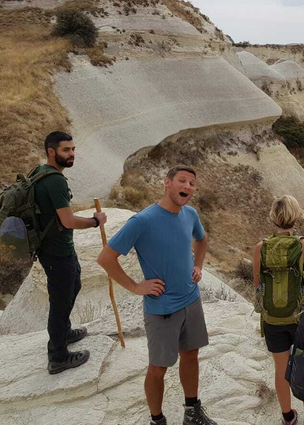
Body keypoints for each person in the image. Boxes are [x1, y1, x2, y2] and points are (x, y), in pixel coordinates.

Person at [97, 166, 217, 425]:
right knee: (158, 369)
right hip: (162, 309)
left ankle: (192, 412)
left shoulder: (190, 214)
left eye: (192, 183)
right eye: (182, 180)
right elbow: (106, 258)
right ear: (167, 183)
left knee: (191, 354)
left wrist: (198, 266)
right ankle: (157, 420)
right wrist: (135, 287)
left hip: (191, 300)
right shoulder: (142, 221)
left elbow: (202, 241)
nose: (187, 186)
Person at [34, 131, 107, 375]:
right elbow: (67, 221)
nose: (72, 154)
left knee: (73, 285)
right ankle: (58, 356)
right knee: (61, 299)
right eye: (66, 150)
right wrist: (95, 221)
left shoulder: (40, 172)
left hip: (56, 248)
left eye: (73, 149)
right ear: (51, 152)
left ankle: (63, 332)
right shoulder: (54, 180)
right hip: (55, 251)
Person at [253, 195, 304, 425]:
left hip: (273, 319)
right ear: (296, 215)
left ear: (274, 216)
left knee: (281, 369)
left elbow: (258, 287)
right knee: (303, 368)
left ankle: (287, 417)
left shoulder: (261, 248)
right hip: (301, 318)